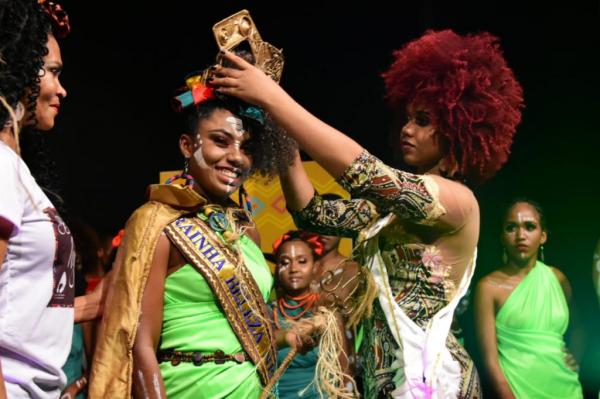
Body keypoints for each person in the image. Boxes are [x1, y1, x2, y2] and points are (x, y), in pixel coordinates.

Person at [211, 28, 524, 397]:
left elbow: (366, 173)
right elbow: (312, 213)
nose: (407, 129)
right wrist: (276, 120)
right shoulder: (392, 210)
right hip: (386, 381)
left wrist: (274, 97)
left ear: (457, 132)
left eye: (423, 120)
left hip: (433, 383)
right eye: (407, 118)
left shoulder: (457, 201)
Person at [87, 27, 315, 396]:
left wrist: (292, 334)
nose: (235, 157)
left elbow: (244, 335)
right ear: (186, 144)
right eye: (220, 142)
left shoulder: (248, 231)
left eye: (246, 148)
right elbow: (139, 343)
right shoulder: (157, 222)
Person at [474, 199, 583, 398]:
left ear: (543, 236)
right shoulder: (488, 288)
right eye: (511, 228)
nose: (520, 236)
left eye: (530, 227)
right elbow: (490, 362)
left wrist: (575, 357)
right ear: (502, 237)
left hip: (566, 387)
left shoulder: (558, 279)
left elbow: (578, 327)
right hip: (517, 388)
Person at [271, 230, 355, 398]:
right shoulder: (265, 313)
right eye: (285, 262)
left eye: (302, 261)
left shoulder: (327, 313)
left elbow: (344, 370)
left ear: (315, 267)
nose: (294, 269)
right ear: (277, 268)